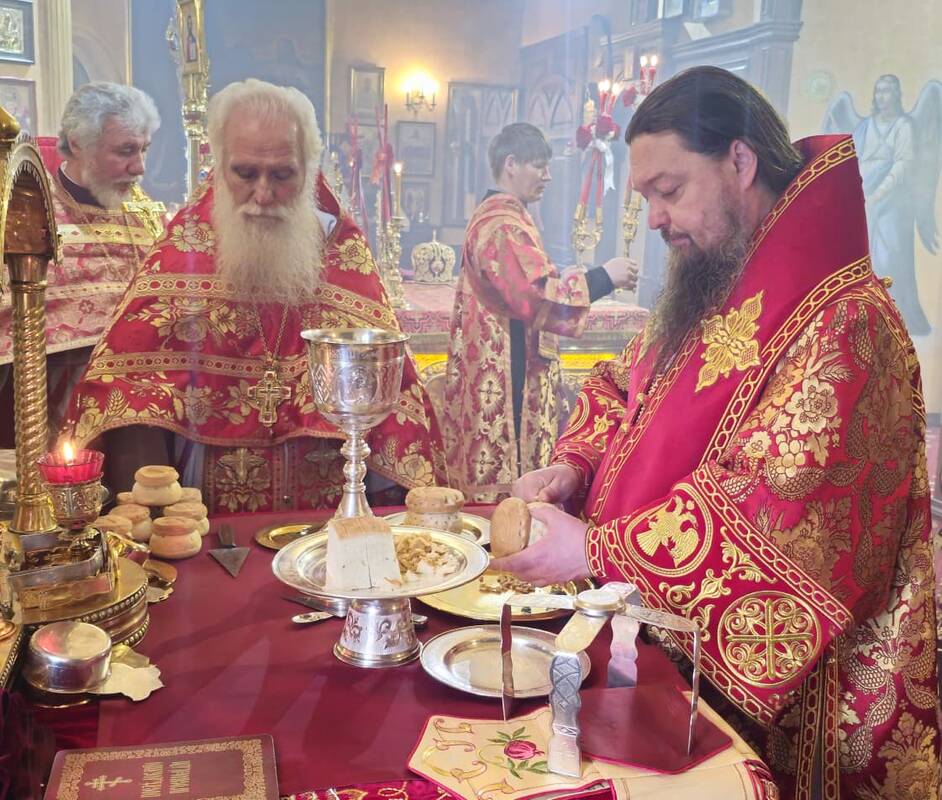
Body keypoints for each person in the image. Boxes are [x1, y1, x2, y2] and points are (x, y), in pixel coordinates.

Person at [493, 67, 939, 798]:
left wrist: (596, 549)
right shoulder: (716, 273)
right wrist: (575, 465)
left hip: (796, 709)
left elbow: (783, 512)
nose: (655, 220)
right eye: (646, 198)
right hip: (659, 652)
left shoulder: (845, 321)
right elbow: (625, 389)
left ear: (740, 161)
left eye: (669, 190)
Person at [64, 79, 445, 513]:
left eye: (282, 175)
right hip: (203, 522)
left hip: (331, 518)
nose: (263, 195)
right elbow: (121, 393)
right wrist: (158, 513)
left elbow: (398, 415)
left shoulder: (345, 257)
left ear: (309, 169)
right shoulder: (181, 256)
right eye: (245, 173)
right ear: (219, 166)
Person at [443, 122, 638, 502]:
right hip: (506, 367)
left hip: (505, 353)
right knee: (512, 478)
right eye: (538, 165)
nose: (548, 176)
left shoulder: (501, 217)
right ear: (511, 164)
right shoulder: (502, 224)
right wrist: (605, 277)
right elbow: (534, 295)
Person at [0, 82, 162, 440]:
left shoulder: (146, 215)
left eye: (144, 149)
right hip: (49, 405)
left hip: (143, 403)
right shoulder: (31, 212)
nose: (139, 167)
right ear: (77, 144)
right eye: (125, 151)